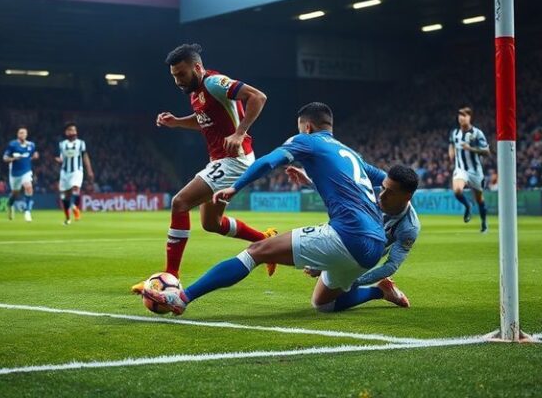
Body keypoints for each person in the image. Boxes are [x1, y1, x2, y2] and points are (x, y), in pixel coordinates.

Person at [141, 102, 402, 316]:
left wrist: (236, 187)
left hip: (347, 235)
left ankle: (181, 298)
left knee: (256, 252)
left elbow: (269, 161)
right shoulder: (351, 154)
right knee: (323, 304)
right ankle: (380, 290)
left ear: (307, 127)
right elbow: (388, 179)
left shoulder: (307, 140)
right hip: (374, 245)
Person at [144, 43, 274, 280]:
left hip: (234, 160)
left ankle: (170, 276)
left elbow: (257, 96)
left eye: (181, 74)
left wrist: (240, 132)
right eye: (174, 76)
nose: (178, 81)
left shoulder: (214, 83)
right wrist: (177, 122)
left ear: (197, 67)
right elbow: (204, 120)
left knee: (180, 202)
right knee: (211, 223)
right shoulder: (196, 93)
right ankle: (265, 241)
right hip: (221, 160)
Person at [289, 163, 421, 310]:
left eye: (390, 193)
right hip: (343, 237)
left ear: (407, 196)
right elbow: (338, 191)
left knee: (322, 305)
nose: (382, 195)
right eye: (383, 188)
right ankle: (379, 288)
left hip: (362, 258)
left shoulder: (409, 227)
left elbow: (391, 265)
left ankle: (379, 291)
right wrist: (309, 181)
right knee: (324, 299)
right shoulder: (370, 190)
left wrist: (356, 281)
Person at [448, 107, 490, 232]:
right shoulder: (455, 133)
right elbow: (451, 143)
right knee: (457, 190)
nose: (461, 118)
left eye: (464, 115)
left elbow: (486, 151)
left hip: (475, 171)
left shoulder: (477, 133)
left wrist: (470, 148)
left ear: (470, 117)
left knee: (480, 199)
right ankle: (468, 205)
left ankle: (484, 224)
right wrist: (451, 153)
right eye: (460, 115)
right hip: (460, 169)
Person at [55, 122, 93, 225]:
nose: (73, 132)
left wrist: (89, 170)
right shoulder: (62, 144)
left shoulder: (81, 143)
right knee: (65, 196)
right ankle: (67, 218)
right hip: (64, 172)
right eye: (71, 130)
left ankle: (75, 208)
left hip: (77, 170)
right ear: (66, 132)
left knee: (76, 188)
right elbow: (61, 157)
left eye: (75, 130)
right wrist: (58, 160)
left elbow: (85, 156)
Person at [2, 127, 39, 222]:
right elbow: (5, 158)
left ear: (26, 134)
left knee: (28, 186)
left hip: (26, 171)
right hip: (14, 172)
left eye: (24, 133)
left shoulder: (31, 145)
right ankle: (10, 205)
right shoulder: (12, 145)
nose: (22, 134)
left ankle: (27, 211)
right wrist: (13, 159)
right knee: (15, 193)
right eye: (20, 133)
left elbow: (32, 155)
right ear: (17, 135)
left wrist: (35, 156)